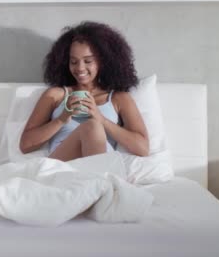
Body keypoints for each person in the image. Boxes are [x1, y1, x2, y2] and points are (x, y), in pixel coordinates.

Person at [19, 21, 149, 161]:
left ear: (103, 61)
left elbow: (143, 148)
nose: (80, 68)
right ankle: (100, 181)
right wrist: (62, 119)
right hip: (64, 166)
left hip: (103, 167)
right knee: (91, 127)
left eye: (88, 61)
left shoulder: (119, 98)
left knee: (94, 126)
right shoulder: (55, 96)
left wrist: (101, 119)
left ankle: (100, 180)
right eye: (74, 62)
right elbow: (25, 145)